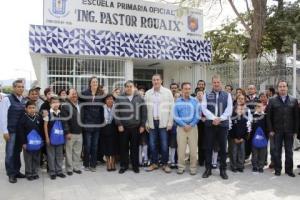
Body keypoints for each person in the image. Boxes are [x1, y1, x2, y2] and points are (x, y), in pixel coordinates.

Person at [201, 75, 233, 180]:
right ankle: (208, 169)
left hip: (223, 125)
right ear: (212, 83)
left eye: (218, 82)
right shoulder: (206, 94)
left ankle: (222, 170)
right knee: (208, 147)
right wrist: (214, 118)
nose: (216, 84)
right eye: (214, 82)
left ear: (221, 83)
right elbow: (204, 108)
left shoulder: (227, 95)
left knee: (223, 148)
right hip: (210, 125)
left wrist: (220, 118)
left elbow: (229, 109)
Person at [267, 80, 299, 177]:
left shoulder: (293, 100)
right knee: (277, 151)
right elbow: (268, 117)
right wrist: (271, 130)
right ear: (278, 88)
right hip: (277, 131)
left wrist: (295, 131)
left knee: (289, 151)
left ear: (287, 88)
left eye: (284, 86)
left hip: (289, 131)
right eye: (280, 86)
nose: (282, 88)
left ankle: (289, 170)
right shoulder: (272, 100)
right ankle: (278, 169)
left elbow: (296, 117)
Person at [115, 80, 147, 174]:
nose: (129, 88)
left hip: (135, 127)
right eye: (127, 86)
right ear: (125, 88)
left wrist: (142, 125)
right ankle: (123, 166)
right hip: (123, 128)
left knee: (135, 148)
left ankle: (135, 166)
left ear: (134, 87)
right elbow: (116, 112)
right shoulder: (120, 98)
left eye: (131, 86)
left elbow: (144, 112)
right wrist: (119, 124)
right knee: (123, 148)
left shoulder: (139, 98)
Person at [145, 74, 174, 173]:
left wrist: (170, 122)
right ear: (152, 81)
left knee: (164, 144)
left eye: (157, 80)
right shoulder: (148, 93)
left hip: (164, 123)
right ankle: (154, 163)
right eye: (154, 80)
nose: (156, 81)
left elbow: (172, 108)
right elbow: (145, 110)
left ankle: (165, 164)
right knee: (152, 144)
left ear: (161, 81)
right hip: (152, 122)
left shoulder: (167, 92)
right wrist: (146, 123)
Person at [0, 79, 27, 183]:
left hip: (20, 131)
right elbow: (2, 116)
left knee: (17, 152)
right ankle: (11, 174)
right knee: (10, 153)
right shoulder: (7, 99)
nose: (21, 88)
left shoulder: (23, 100)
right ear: (14, 88)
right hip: (11, 131)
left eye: (22, 87)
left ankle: (17, 171)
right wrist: (5, 131)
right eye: (18, 87)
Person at [174, 82, 199, 175]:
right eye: (185, 88)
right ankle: (181, 167)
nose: (187, 90)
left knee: (193, 150)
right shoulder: (177, 102)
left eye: (189, 88)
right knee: (181, 149)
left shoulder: (195, 101)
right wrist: (184, 125)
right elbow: (176, 116)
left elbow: (197, 115)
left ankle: (193, 168)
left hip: (193, 128)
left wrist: (191, 124)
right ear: (182, 90)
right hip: (181, 128)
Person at [80, 76, 104, 172]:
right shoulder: (84, 93)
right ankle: (86, 164)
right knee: (87, 145)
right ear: (90, 83)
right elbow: (81, 108)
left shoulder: (100, 94)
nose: (95, 83)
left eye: (96, 82)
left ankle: (93, 165)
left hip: (97, 124)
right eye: (93, 82)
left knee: (95, 145)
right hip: (87, 123)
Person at [17, 101, 43, 181]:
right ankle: (29, 173)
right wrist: (23, 143)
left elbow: (41, 130)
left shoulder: (38, 117)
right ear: (26, 109)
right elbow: (20, 132)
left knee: (36, 158)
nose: (32, 110)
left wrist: (42, 140)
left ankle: (35, 172)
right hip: (27, 143)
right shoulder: (23, 119)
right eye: (29, 108)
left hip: (37, 143)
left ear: (36, 108)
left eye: (33, 108)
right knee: (28, 158)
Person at [61, 88, 83, 176]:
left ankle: (76, 167)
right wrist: (67, 132)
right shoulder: (65, 105)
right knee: (69, 152)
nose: (75, 95)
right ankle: (69, 169)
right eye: (72, 94)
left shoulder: (80, 104)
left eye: (76, 94)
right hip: (70, 133)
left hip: (80, 132)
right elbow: (64, 120)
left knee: (77, 152)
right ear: (68, 95)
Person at [44, 96, 66, 180]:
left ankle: (59, 171)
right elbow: (45, 126)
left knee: (59, 155)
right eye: (53, 102)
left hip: (60, 138)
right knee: (51, 155)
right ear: (50, 104)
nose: (56, 104)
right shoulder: (47, 114)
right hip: (51, 138)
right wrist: (47, 138)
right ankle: (52, 172)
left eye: (57, 102)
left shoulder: (61, 113)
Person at [229, 104, 251, 173]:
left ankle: (240, 166)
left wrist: (243, 138)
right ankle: (233, 166)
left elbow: (248, 129)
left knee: (241, 153)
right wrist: (234, 137)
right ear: (235, 110)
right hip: (234, 139)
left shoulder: (245, 119)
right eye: (239, 109)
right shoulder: (232, 119)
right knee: (233, 152)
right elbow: (230, 129)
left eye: (242, 109)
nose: (241, 110)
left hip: (242, 139)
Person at [101, 94, 118, 171]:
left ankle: (113, 162)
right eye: (108, 99)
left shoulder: (116, 108)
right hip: (105, 129)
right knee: (106, 146)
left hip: (114, 129)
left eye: (111, 99)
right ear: (105, 100)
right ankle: (108, 162)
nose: (110, 100)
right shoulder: (102, 108)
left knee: (114, 146)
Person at [251, 100, 268, 173]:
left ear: (263, 107)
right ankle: (255, 166)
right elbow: (250, 127)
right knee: (255, 153)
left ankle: (261, 166)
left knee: (262, 153)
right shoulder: (252, 116)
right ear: (255, 107)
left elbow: (268, 126)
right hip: (254, 138)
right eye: (257, 106)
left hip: (264, 138)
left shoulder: (266, 116)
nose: (259, 108)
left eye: (260, 106)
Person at [196, 90, 206, 166]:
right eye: (198, 94)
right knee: (199, 142)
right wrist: (200, 118)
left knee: (206, 142)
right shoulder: (194, 103)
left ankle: (206, 158)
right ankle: (201, 160)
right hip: (198, 124)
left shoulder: (206, 103)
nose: (200, 95)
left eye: (201, 94)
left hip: (206, 124)